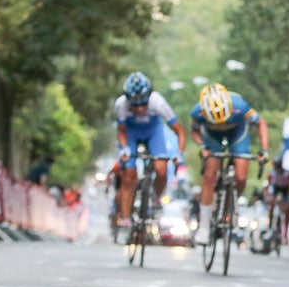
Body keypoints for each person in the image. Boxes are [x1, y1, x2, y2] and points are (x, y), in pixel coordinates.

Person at [189, 82, 269, 246]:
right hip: (211, 136)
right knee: (209, 176)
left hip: (237, 133)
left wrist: (264, 150)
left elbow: (261, 123)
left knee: (240, 175)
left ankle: (233, 205)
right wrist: (202, 146)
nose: (221, 123)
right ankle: (204, 226)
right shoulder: (196, 112)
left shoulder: (240, 105)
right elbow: (194, 131)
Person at [113, 72, 187, 231]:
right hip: (131, 134)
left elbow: (179, 131)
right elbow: (121, 131)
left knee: (161, 169)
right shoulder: (121, 105)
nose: (139, 109)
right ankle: (126, 218)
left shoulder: (158, 102)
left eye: (143, 104)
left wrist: (179, 153)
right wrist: (125, 148)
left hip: (153, 132)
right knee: (128, 175)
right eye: (135, 105)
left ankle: (156, 197)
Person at [265, 160, 289, 245]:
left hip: (285, 191)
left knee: (287, 210)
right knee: (271, 206)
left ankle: (285, 233)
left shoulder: (288, 174)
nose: (278, 170)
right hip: (275, 190)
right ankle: (269, 227)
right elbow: (268, 185)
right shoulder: (272, 173)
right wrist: (268, 196)